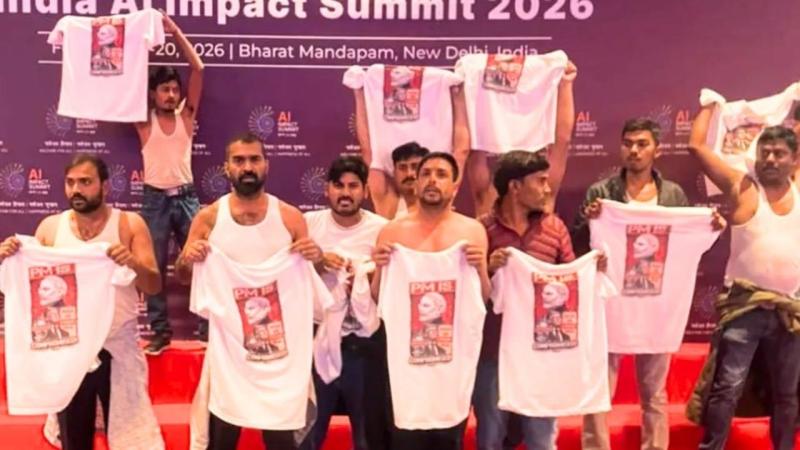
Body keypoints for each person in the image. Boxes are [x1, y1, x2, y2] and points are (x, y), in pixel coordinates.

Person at [573, 118, 723, 450]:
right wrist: (589, 219)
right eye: (628, 143)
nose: (634, 150)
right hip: (611, 302)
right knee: (599, 390)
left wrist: (709, 226)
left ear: (657, 149)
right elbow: (579, 243)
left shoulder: (672, 194)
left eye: (642, 144)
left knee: (655, 394)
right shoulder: (601, 192)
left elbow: (685, 242)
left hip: (657, 306)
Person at [0, 153, 164, 450]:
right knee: (74, 439)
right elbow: (32, 290)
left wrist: (132, 262)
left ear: (105, 186)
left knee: (131, 438)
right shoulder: (51, 228)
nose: (76, 189)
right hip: (68, 351)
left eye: (86, 182)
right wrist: (9, 258)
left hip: (117, 347)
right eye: (71, 182)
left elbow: (153, 285)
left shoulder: (129, 224)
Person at [175, 132, 322, 450]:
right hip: (228, 353)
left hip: (279, 355)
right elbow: (184, 276)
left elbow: (310, 279)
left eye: (254, 159)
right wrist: (188, 257)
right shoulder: (208, 218)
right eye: (239, 160)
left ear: (267, 164)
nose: (247, 167)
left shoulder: (290, 218)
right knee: (222, 439)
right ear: (226, 167)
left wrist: (317, 257)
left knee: (280, 439)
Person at [686, 102, 800, 450]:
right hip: (744, 309)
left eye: (779, 153)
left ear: (794, 160)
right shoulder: (742, 187)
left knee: (788, 394)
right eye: (765, 152)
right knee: (727, 388)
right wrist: (709, 105)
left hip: (790, 312)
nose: (770, 159)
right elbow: (696, 147)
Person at [371, 152, 491, 449]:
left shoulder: (472, 231)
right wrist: (381, 269)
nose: (432, 180)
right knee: (405, 441)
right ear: (416, 183)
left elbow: (483, 299)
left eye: (441, 174)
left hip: (452, 364)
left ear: (455, 186)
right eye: (425, 174)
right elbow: (379, 299)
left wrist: (480, 268)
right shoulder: (393, 232)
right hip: (407, 364)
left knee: (449, 440)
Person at [474, 150, 578, 450]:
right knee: (490, 438)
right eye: (540, 181)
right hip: (492, 350)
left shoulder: (555, 228)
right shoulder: (481, 230)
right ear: (515, 186)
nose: (547, 188)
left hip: (541, 352)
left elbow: (571, 282)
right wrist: (487, 269)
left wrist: (590, 271)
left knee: (541, 440)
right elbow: (468, 292)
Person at [300, 155, 389, 450]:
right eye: (339, 186)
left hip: (364, 345)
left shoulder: (383, 229)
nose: (345, 193)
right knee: (309, 433)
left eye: (353, 186)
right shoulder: (307, 224)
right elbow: (285, 270)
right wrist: (316, 262)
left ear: (365, 190)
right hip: (316, 339)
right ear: (327, 189)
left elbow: (393, 284)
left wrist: (368, 274)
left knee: (368, 438)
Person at [136, 13, 206, 354]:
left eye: (175, 89)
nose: (171, 94)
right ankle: (160, 332)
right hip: (155, 201)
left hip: (187, 199)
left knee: (204, 262)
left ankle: (208, 328)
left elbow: (199, 69)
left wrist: (175, 32)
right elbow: (128, 81)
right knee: (153, 269)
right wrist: (137, 37)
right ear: (152, 93)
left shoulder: (187, 117)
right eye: (164, 89)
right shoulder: (143, 121)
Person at [465, 61, 577, 217]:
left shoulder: (543, 195)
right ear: (514, 186)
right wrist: (469, 91)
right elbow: (475, 147)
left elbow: (562, 142)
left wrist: (566, 84)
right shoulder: (489, 201)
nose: (545, 187)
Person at [390, 142, 430, 218]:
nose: (409, 174)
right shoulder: (387, 210)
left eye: (415, 167)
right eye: (402, 168)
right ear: (394, 173)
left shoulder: (439, 207)